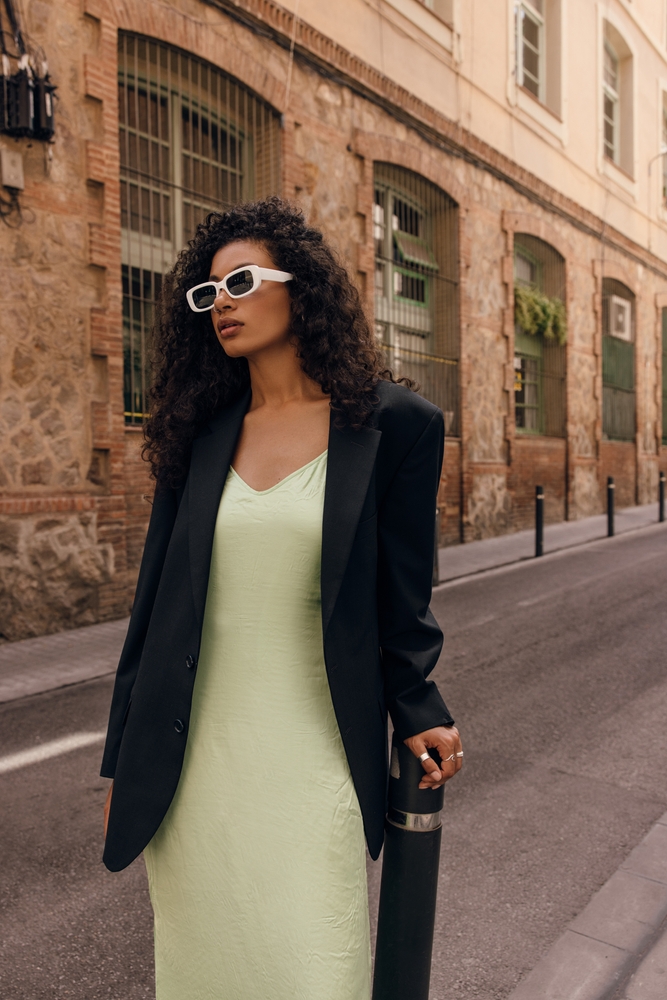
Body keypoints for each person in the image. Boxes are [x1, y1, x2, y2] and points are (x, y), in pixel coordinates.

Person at [100, 197, 462, 1000]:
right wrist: (124, 761)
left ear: (301, 289)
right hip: (194, 768)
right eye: (207, 291)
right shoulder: (198, 434)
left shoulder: (395, 427)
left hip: (313, 757)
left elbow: (403, 597)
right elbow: (154, 609)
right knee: (202, 970)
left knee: (311, 967)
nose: (221, 301)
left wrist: (420, 704)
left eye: (241, 281)